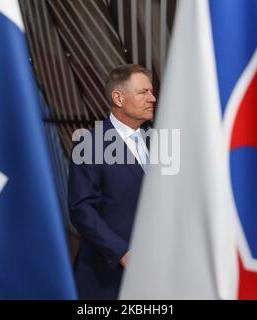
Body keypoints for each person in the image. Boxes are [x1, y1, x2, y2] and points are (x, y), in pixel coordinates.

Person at [68, 64, 156, 300]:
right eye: (143, 92)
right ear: (118, 97)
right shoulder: (90, 145)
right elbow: (81, 209)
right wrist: (121, 252)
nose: (152, 98)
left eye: (151, 92)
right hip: (108, 277)